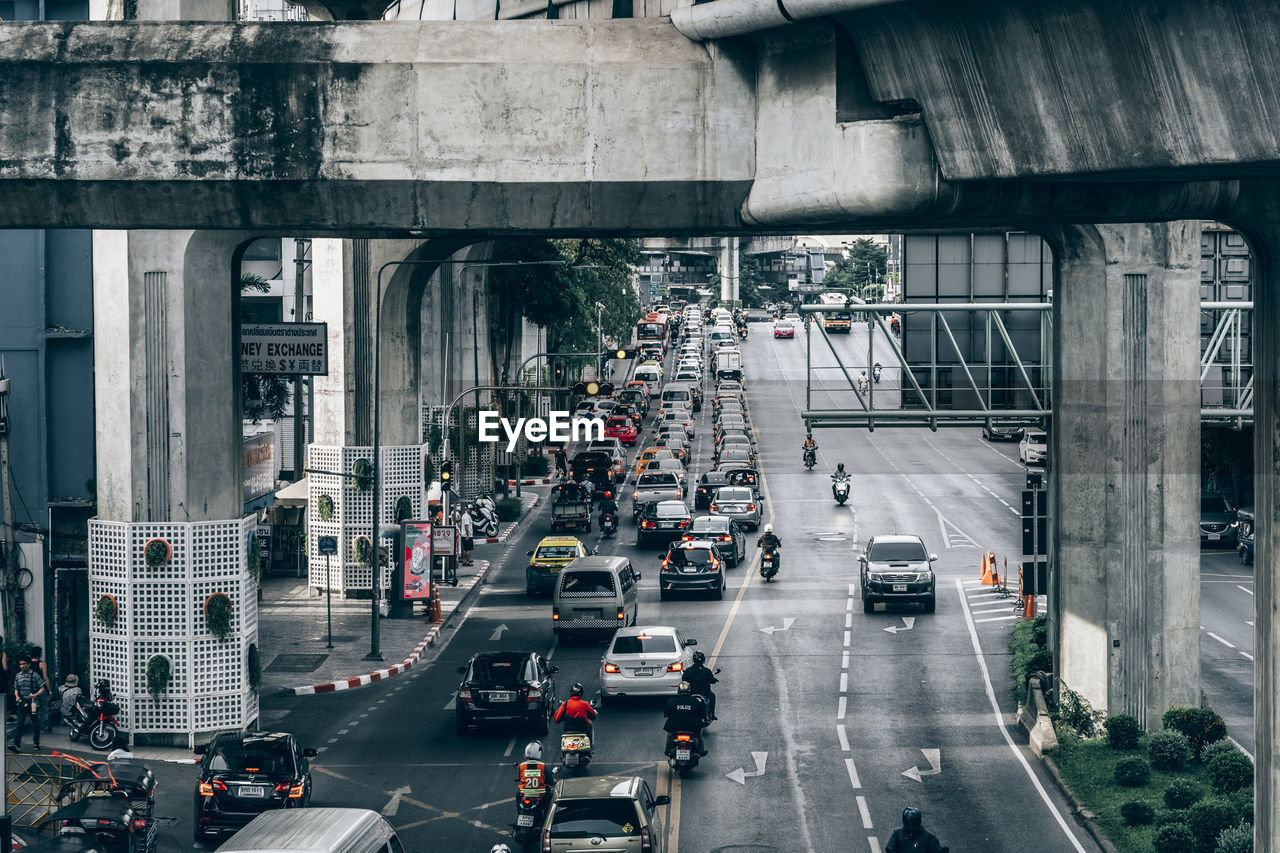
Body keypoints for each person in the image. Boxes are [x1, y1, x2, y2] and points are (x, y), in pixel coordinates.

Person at [9, 656, 46, 752]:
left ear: (29, 664)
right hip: (22, 703)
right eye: (20, 664)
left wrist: (35, 694)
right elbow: (16, 688)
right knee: (20, 723)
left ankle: (36, 743)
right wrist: (17, 696)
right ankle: (17, 745)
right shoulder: (18, 676)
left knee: (35, 724)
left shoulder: (34, 675)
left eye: (24, 664)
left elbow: (42, 687)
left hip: (33, 704)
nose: (22, 666)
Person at [662, 682, 708, 756]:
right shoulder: (696, 701)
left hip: (675, 727)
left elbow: (666, 713)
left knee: (669, 735)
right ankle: (701, 751)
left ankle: (667, 751)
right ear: (689, 690)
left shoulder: (671, 701)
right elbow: (702, 715)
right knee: (699, 735)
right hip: (693, 727)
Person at [516, 741, 550, 814]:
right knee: (549, 796)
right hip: (540, 795)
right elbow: (549, 780)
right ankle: (547, 816)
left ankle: (519, 814)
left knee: (517, 795)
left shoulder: (521, 766)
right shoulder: (542, 766)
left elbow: (520, 777)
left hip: (524, 794)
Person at [683, 651, 718, 720]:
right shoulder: (706, 671)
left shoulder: (688, 670)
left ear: (693, 660)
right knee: (712, 696)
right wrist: (715, 680)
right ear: (703, 660)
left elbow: (684, 679)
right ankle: (712, 714)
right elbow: (712, 680)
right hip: (705, 693)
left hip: (692, 692)